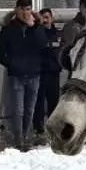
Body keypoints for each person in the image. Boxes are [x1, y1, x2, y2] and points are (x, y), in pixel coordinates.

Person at [0, 0, 50, 149]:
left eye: (28, 9)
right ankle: (18, 140)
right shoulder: (8, 28)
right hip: (17, 75)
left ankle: (25, 137)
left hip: (34, 74)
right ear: (17, 10)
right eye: (22, 9)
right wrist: (12, 64)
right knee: (18, 109)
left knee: (30, 109)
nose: (26, 13)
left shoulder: (37, 27)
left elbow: (43, 45)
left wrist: (34, 27)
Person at [33, 7, 62, 138]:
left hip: (54, 74)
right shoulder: (38, 33)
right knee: (38, 104)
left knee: (54, 103)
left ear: (52, 18)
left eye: (47, 17)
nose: (45, 20)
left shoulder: (58, 34)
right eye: (42, 18)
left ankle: (53, 131)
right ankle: (38, 131)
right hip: (41, 73)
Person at [59, 0, 86, 74]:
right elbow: (70, 51)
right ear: (80, 8)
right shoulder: (72, 27)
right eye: (85, 7)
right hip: (75, 70)